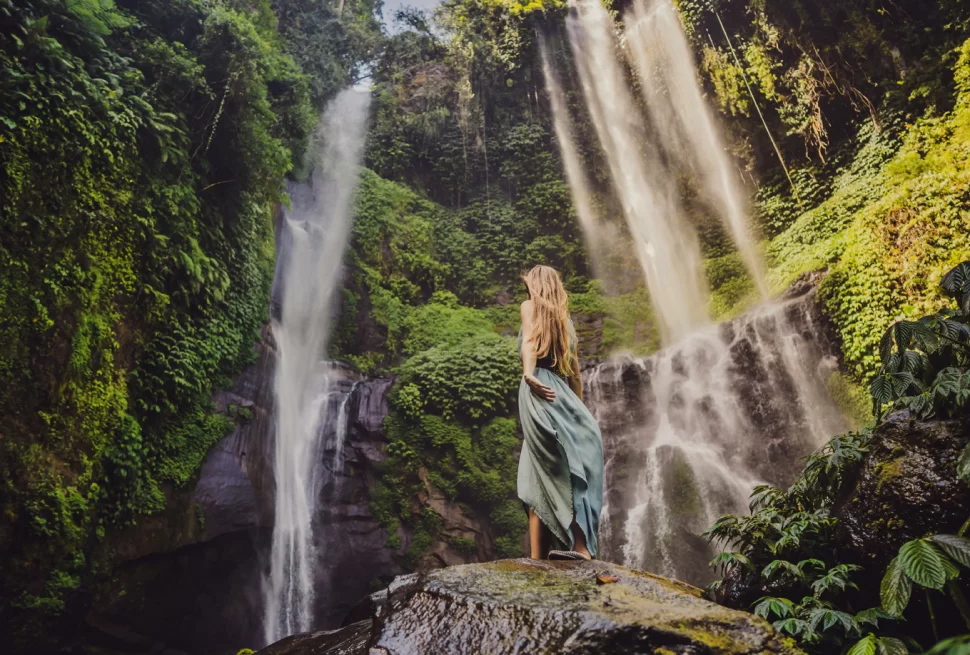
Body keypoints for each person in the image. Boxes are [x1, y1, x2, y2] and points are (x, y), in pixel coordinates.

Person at [517, 265, 604, 561]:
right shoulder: (566, 322)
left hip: (538, 389)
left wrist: (529, 375)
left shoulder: (529, 307)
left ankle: (540, 560)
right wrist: (578, 413)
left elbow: (529, 342)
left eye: (528, 283)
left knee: (541, 471)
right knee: (559, 467)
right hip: (562, 395)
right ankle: (579, 547)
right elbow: (576, 376)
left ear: (536, 285)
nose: (527, 288)